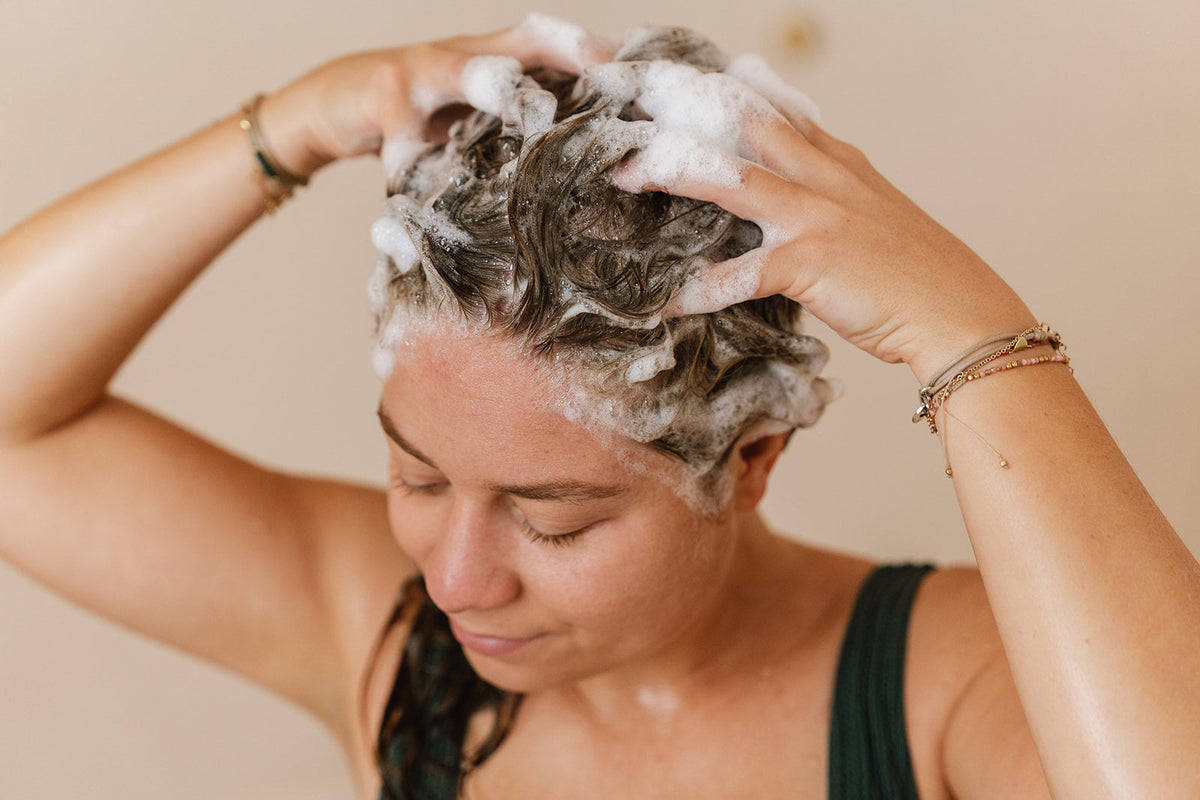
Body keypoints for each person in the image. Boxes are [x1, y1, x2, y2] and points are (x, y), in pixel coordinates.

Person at [0, 14, 1196, 800]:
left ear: (750, 456)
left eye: (552, 519)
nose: (456, 578)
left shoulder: (950, 678)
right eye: (418, 475)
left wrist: (971, 334)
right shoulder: (383, 632)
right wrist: (296, 127)